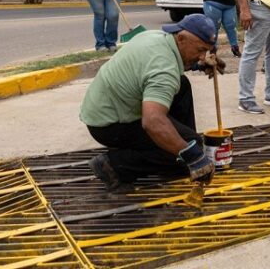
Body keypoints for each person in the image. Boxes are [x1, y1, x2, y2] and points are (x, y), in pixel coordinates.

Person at [80, 14, 226, 193]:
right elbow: (152, 122)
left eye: (207, 51)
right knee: (189, 145)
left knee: (182, 86)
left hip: (105, 107)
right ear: (180, 38)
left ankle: (179, 158)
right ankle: (114, 165)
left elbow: (154, 68)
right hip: (110, 125)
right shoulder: (164, 70)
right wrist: (192, 155)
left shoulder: (157, 38)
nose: (203, 56)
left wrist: (197, 64)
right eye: (200, 50)